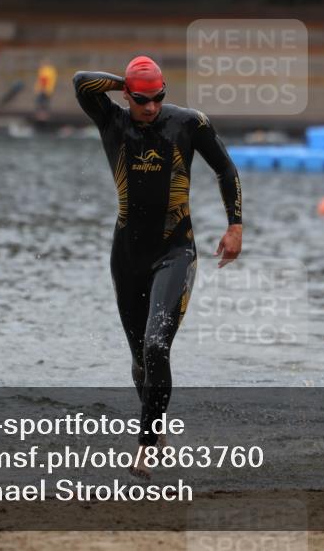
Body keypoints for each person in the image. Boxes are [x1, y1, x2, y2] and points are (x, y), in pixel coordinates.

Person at [72, 56, 243, 479]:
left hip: (175, 251)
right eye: (142, 99)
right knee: (138, 360)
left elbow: (225, 168)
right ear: (128, 96)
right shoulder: (111, 120)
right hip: (127, 256)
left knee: (156, 345)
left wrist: (234, 226)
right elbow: (80, 82)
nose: (151, 107)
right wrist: (123, 82)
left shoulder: (189, 124)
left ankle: (146, 447)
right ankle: (157, 425)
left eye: (158, 97)